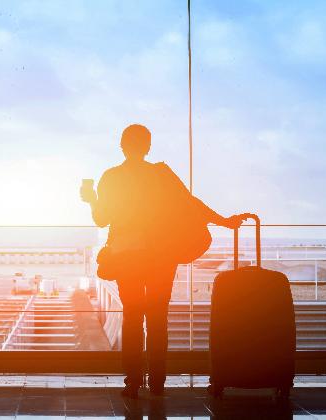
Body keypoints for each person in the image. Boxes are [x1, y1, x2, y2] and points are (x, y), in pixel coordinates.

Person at [80, 124, 245, 398]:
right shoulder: (161, 175)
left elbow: (101, 219)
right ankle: (157, 382)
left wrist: (91, 199)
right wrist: (225, 222)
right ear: (148, 147)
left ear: (122, 146)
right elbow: (191, 203)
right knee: (157, 319)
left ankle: (132, 383)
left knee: (132, 318)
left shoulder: (112, 177)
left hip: (128, 256)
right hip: (160, 257)